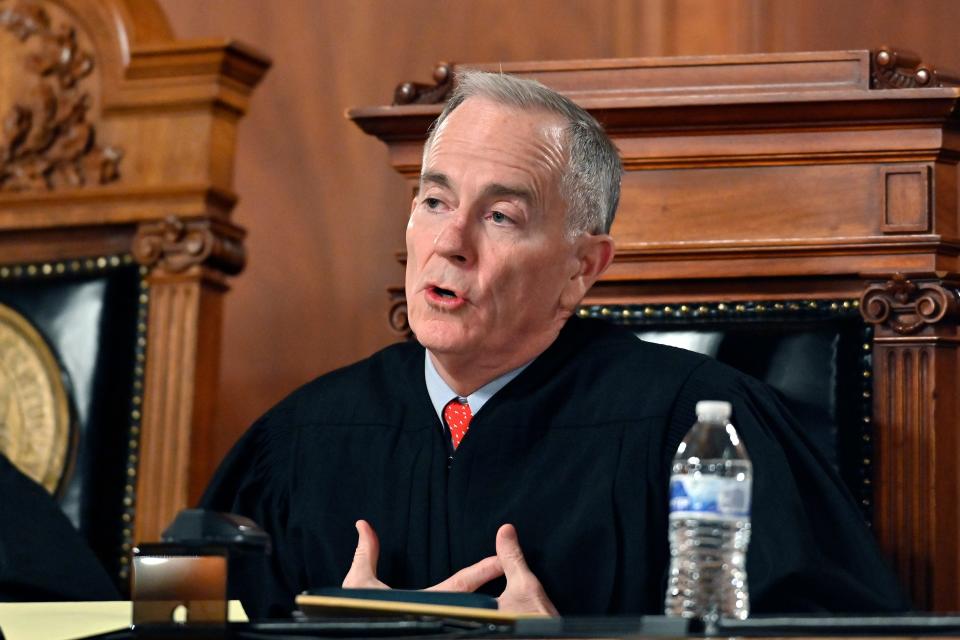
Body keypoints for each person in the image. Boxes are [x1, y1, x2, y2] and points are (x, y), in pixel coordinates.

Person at [200, 70, 909, 619]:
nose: (451, 242)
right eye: (434, 201)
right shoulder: (300, 440)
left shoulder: (698, 429)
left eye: (501, 215)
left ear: (581, 268)